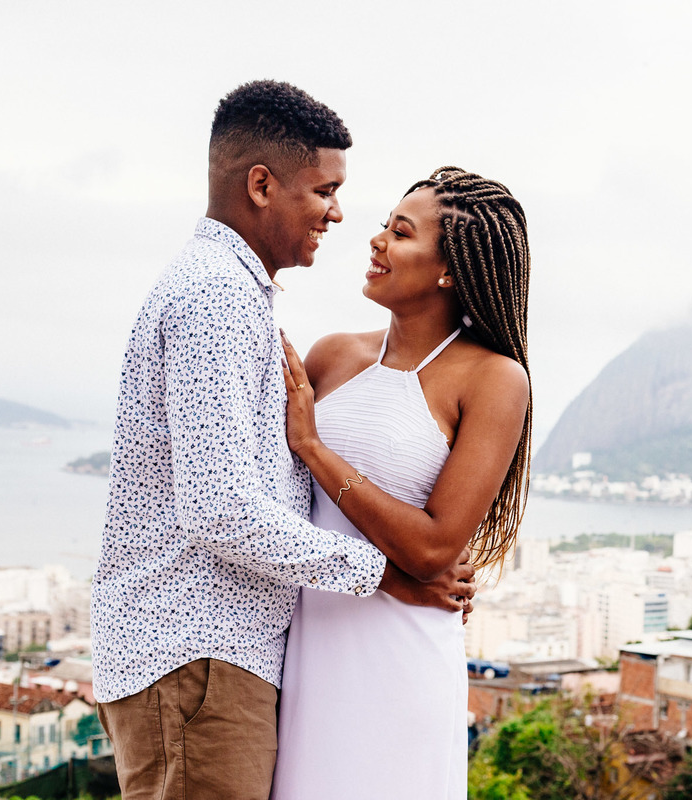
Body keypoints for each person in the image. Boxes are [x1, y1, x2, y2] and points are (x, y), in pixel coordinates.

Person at [90, 82, 475, 800]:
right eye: (325, 190)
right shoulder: (216, 298)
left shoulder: (231, 293)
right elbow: (222, 508)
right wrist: (389, 578)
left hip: (211, 662)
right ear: (262, 185)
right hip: (195, 659)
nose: (337, 213)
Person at [272, 167, 532, 798]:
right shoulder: (332, 355)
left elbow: (433, 549)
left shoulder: (493, 379)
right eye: (385, 225)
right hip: (306, 649)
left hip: (401, 656)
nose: (377, 241)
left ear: (450, 269)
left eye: (402, 232)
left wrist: (312, 447)